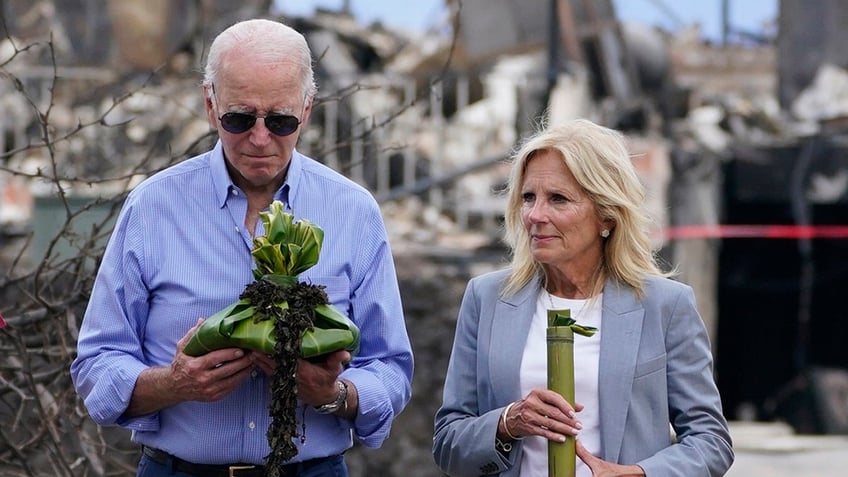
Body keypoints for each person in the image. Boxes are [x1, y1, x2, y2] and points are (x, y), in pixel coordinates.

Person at [71, 18, 413, 477]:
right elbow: (96, 363)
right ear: (210, 106)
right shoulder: (153, 207)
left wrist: (332, 394)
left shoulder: (353, 211)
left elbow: (390, 366)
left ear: (307, 109)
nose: (259, 138)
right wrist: (172, 384)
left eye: (280, 120)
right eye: (238, 117)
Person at [432, 119, 733, 477]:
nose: (535, 215)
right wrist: (507, 422)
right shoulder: (487, 298)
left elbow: (711, 441)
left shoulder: (665, 305)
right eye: (528, 197)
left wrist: (637, 474)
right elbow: (448, 443)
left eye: (558, 199)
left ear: (607, 214)